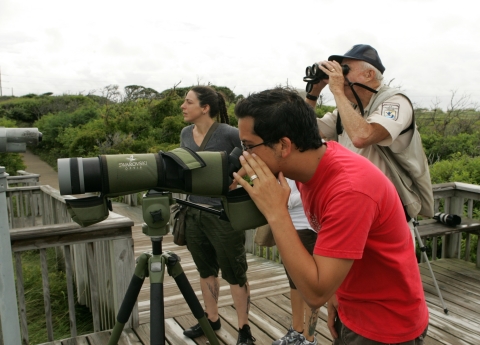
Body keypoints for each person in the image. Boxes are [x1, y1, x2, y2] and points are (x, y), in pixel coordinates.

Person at [233, 87, 429, 344]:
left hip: (385, 324)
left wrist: (277, 213)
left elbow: (315, 294)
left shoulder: (349, 190)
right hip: (352, 309)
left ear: (283, 146)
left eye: (248, 146)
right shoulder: (311, 168)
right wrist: (337, 294)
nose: (243, 156)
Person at [304, 44, 433, 247]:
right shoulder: (351, 109)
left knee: (386, 278)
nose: (339, 75)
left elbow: (362, 136)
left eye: (345, 69)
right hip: (352, 211)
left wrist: (337, 90)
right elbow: (306, 131)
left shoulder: (396, 101)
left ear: (369, 74)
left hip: (387, 216)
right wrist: (313, 94)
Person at [179, 86, 255, 345]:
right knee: (205, 270)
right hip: (194, 212)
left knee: (235, 272)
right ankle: (211, 319)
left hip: (223, 214)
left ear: (205, 107)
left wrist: (237, 178)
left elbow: (253, 151)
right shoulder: (185, 134)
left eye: (188, 102)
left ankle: (244, 329)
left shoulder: (229, 133)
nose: (183, 106)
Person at [273, 178, 319, 345]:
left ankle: (309, 337)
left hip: (307, 224)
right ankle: (297, 330)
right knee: (294, 281)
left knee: (311, 285)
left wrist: (286, 199)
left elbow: (315, 184)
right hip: (289, 222)